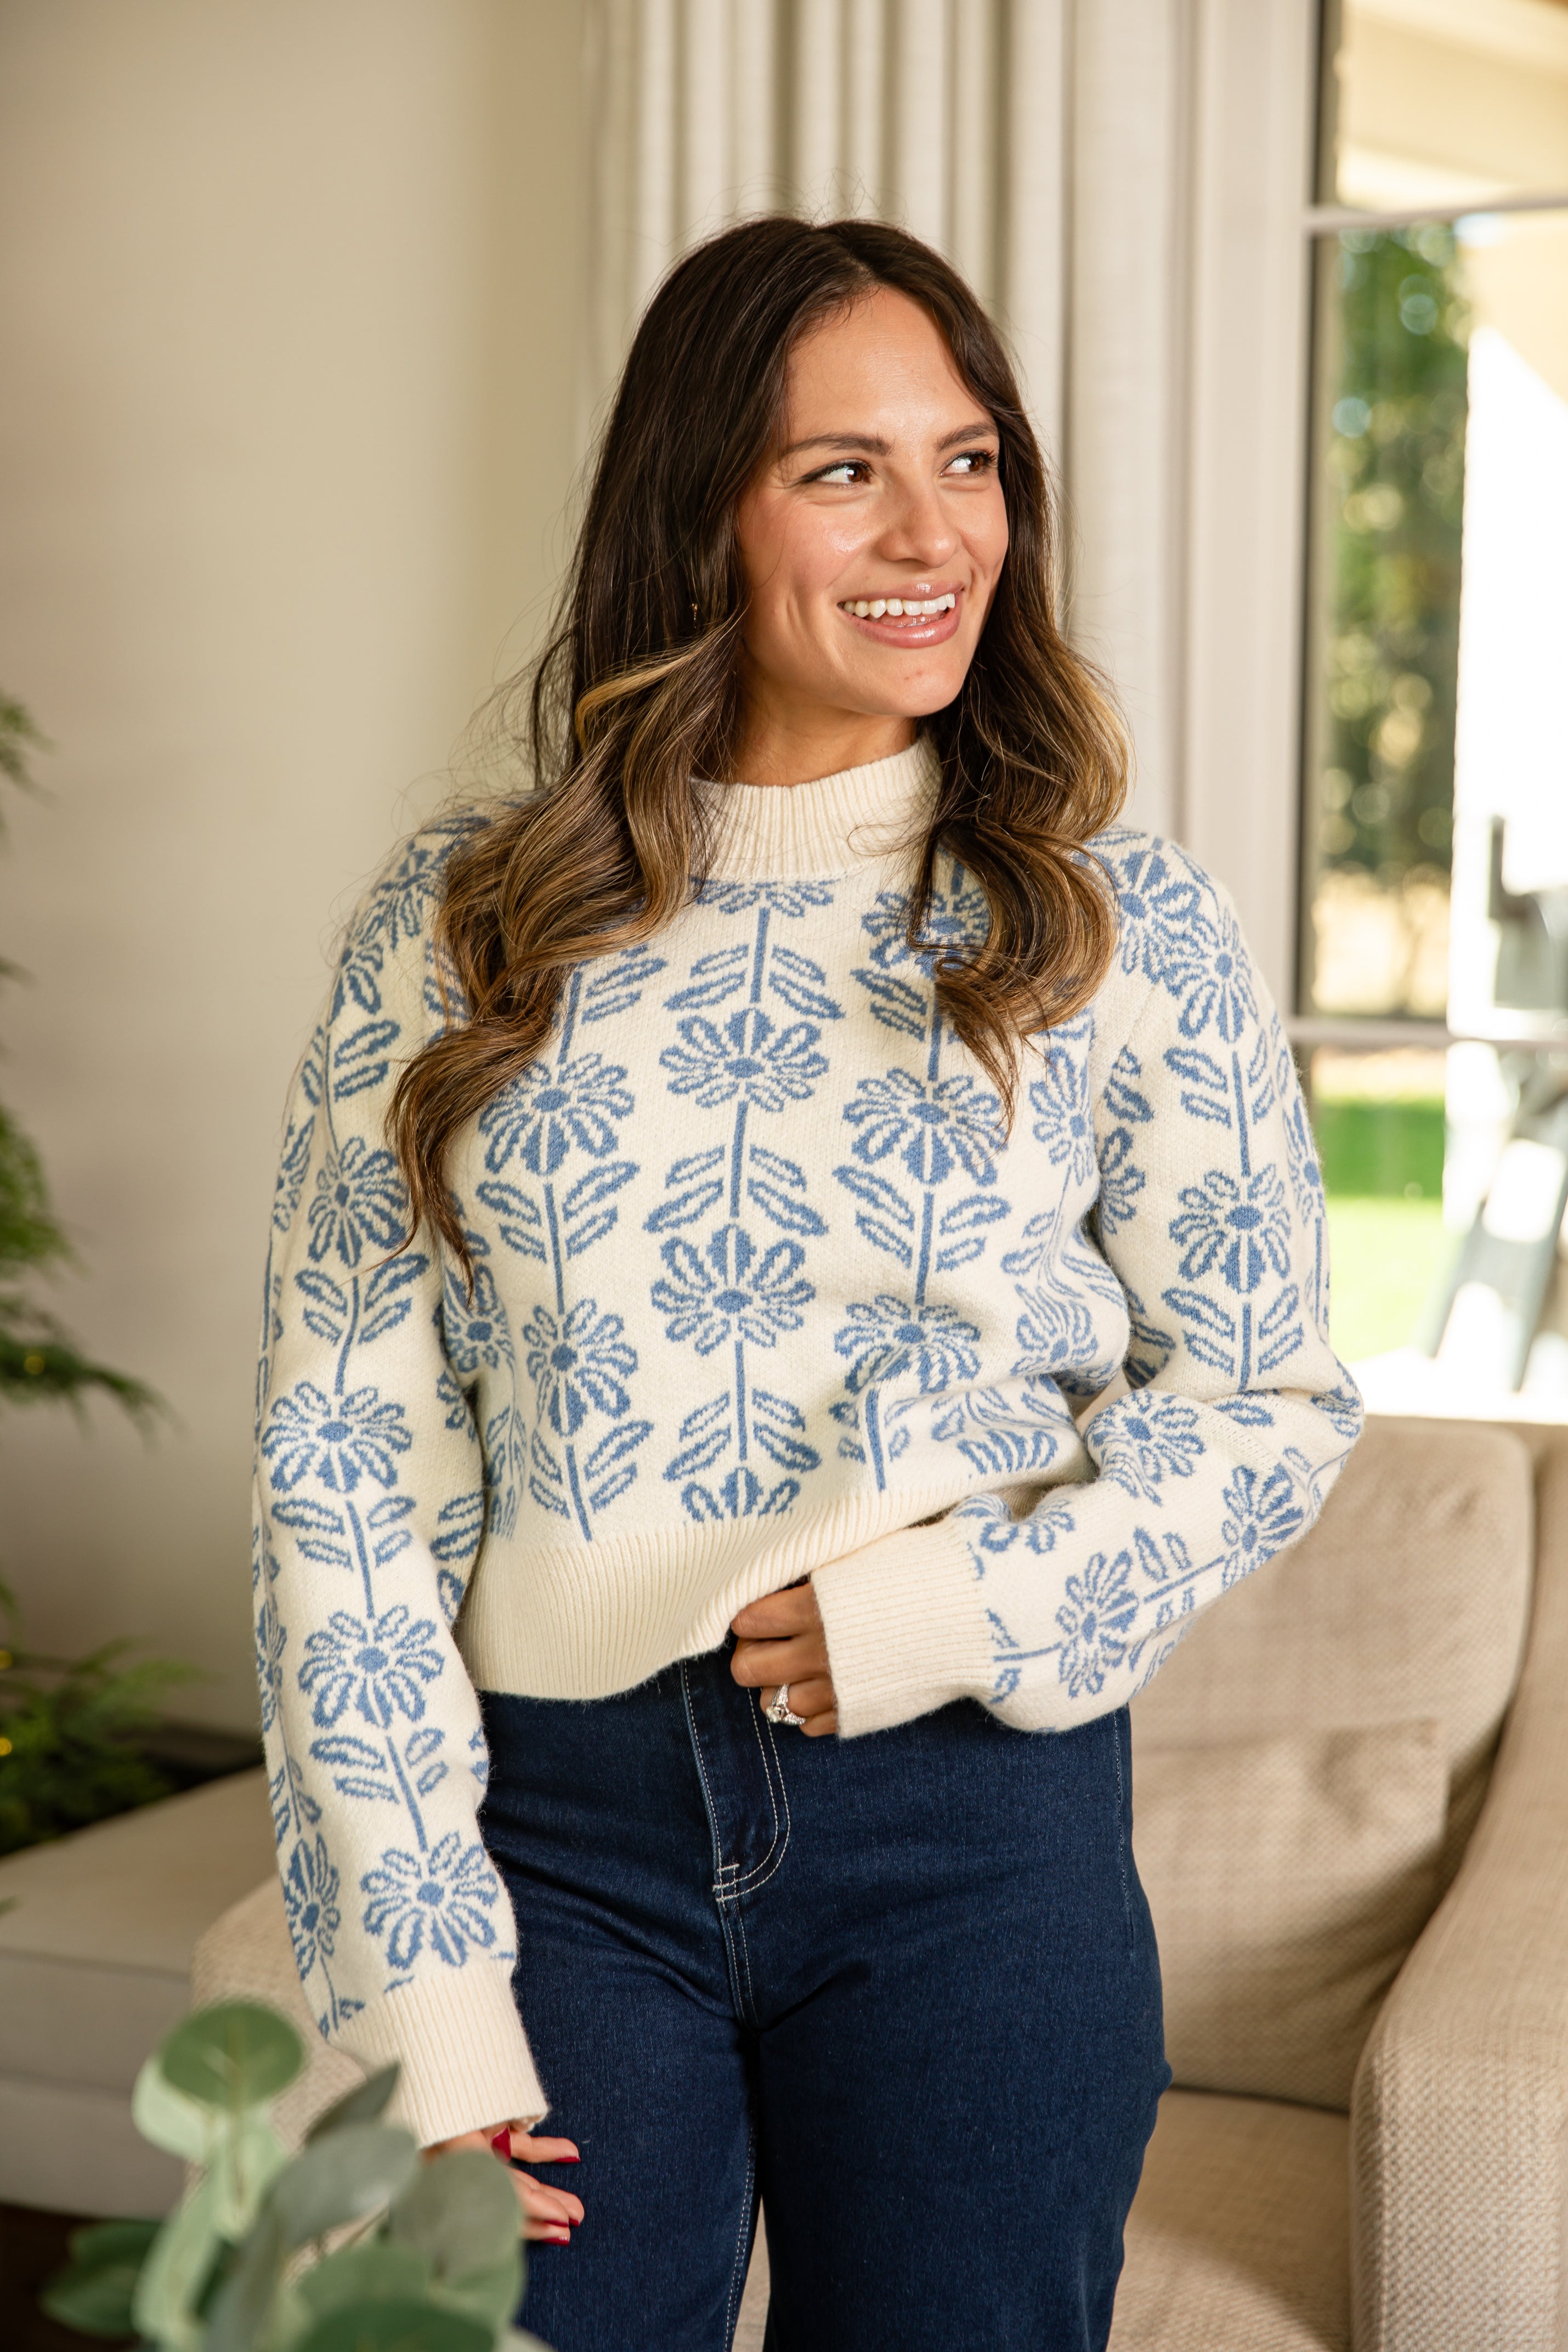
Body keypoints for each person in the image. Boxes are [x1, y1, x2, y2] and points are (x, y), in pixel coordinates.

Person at [253, 216, 1362, 2351]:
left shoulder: (1116, 925)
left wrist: (968, 1609)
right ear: (701, 512)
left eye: (969, 461)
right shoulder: (462, 926)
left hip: (971, 1833)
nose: (933, 529)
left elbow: (1267, 1401)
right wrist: (424, 1991)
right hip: (555, 1840)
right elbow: (342, 1467)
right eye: (842, 468)